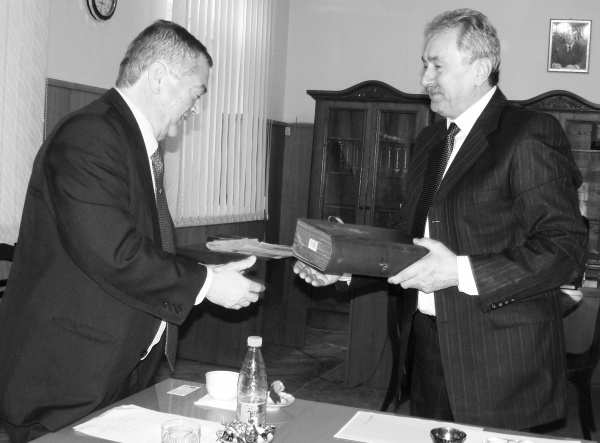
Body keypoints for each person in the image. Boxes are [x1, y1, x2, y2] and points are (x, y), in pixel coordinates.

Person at [294, 9, 588, 432]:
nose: (424, 78)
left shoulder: (528, 133)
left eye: (437, 66)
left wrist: (459, 272)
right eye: (424, 65)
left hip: (501, 361)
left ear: (480, 69)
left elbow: (565, 248)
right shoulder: (431, 139)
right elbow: (409, 241)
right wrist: (343, 267)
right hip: (428, 346)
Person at [0, 20, 265, 442]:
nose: (196, 109)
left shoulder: (130, 142)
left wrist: (207, 272)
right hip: (63, 385)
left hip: (113, 375)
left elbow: (144, 245)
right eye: (196, 93)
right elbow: (114, 251)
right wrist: (207, 283)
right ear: (159, 77)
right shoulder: (89, 135)